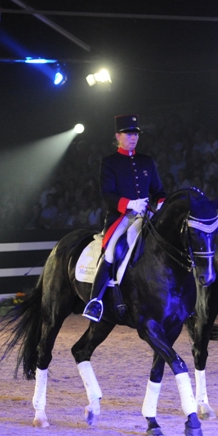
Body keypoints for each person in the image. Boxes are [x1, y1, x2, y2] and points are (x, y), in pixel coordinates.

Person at [82, 115, 166, 322]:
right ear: (118, 136)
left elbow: (158, 190)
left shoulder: (146, 161)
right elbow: (107, 193)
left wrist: (162, 202)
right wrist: (129, 204)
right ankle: (96, 300)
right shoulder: (110, 162)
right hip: (122, 216)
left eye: (135, 134)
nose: (133, 138)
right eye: (129, 134)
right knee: (113, 249)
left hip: (146, 215)